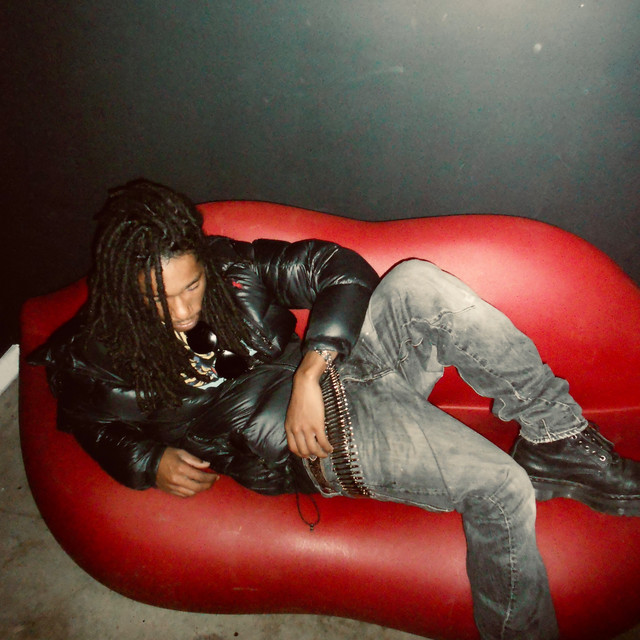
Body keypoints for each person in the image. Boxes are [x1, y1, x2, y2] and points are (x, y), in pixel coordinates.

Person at [31, 179, 640, 640]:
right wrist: (148, 462)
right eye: (160, 299)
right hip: (317, 445)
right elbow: (90, 425)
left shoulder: (230, 266)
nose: (185, 309)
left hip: (334, 376)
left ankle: (556, 437)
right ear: (122, 291)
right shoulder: (93, 357)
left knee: (418, 284)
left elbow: (336, 267)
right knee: (503, 489)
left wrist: (312, 366)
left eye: (191, 286)